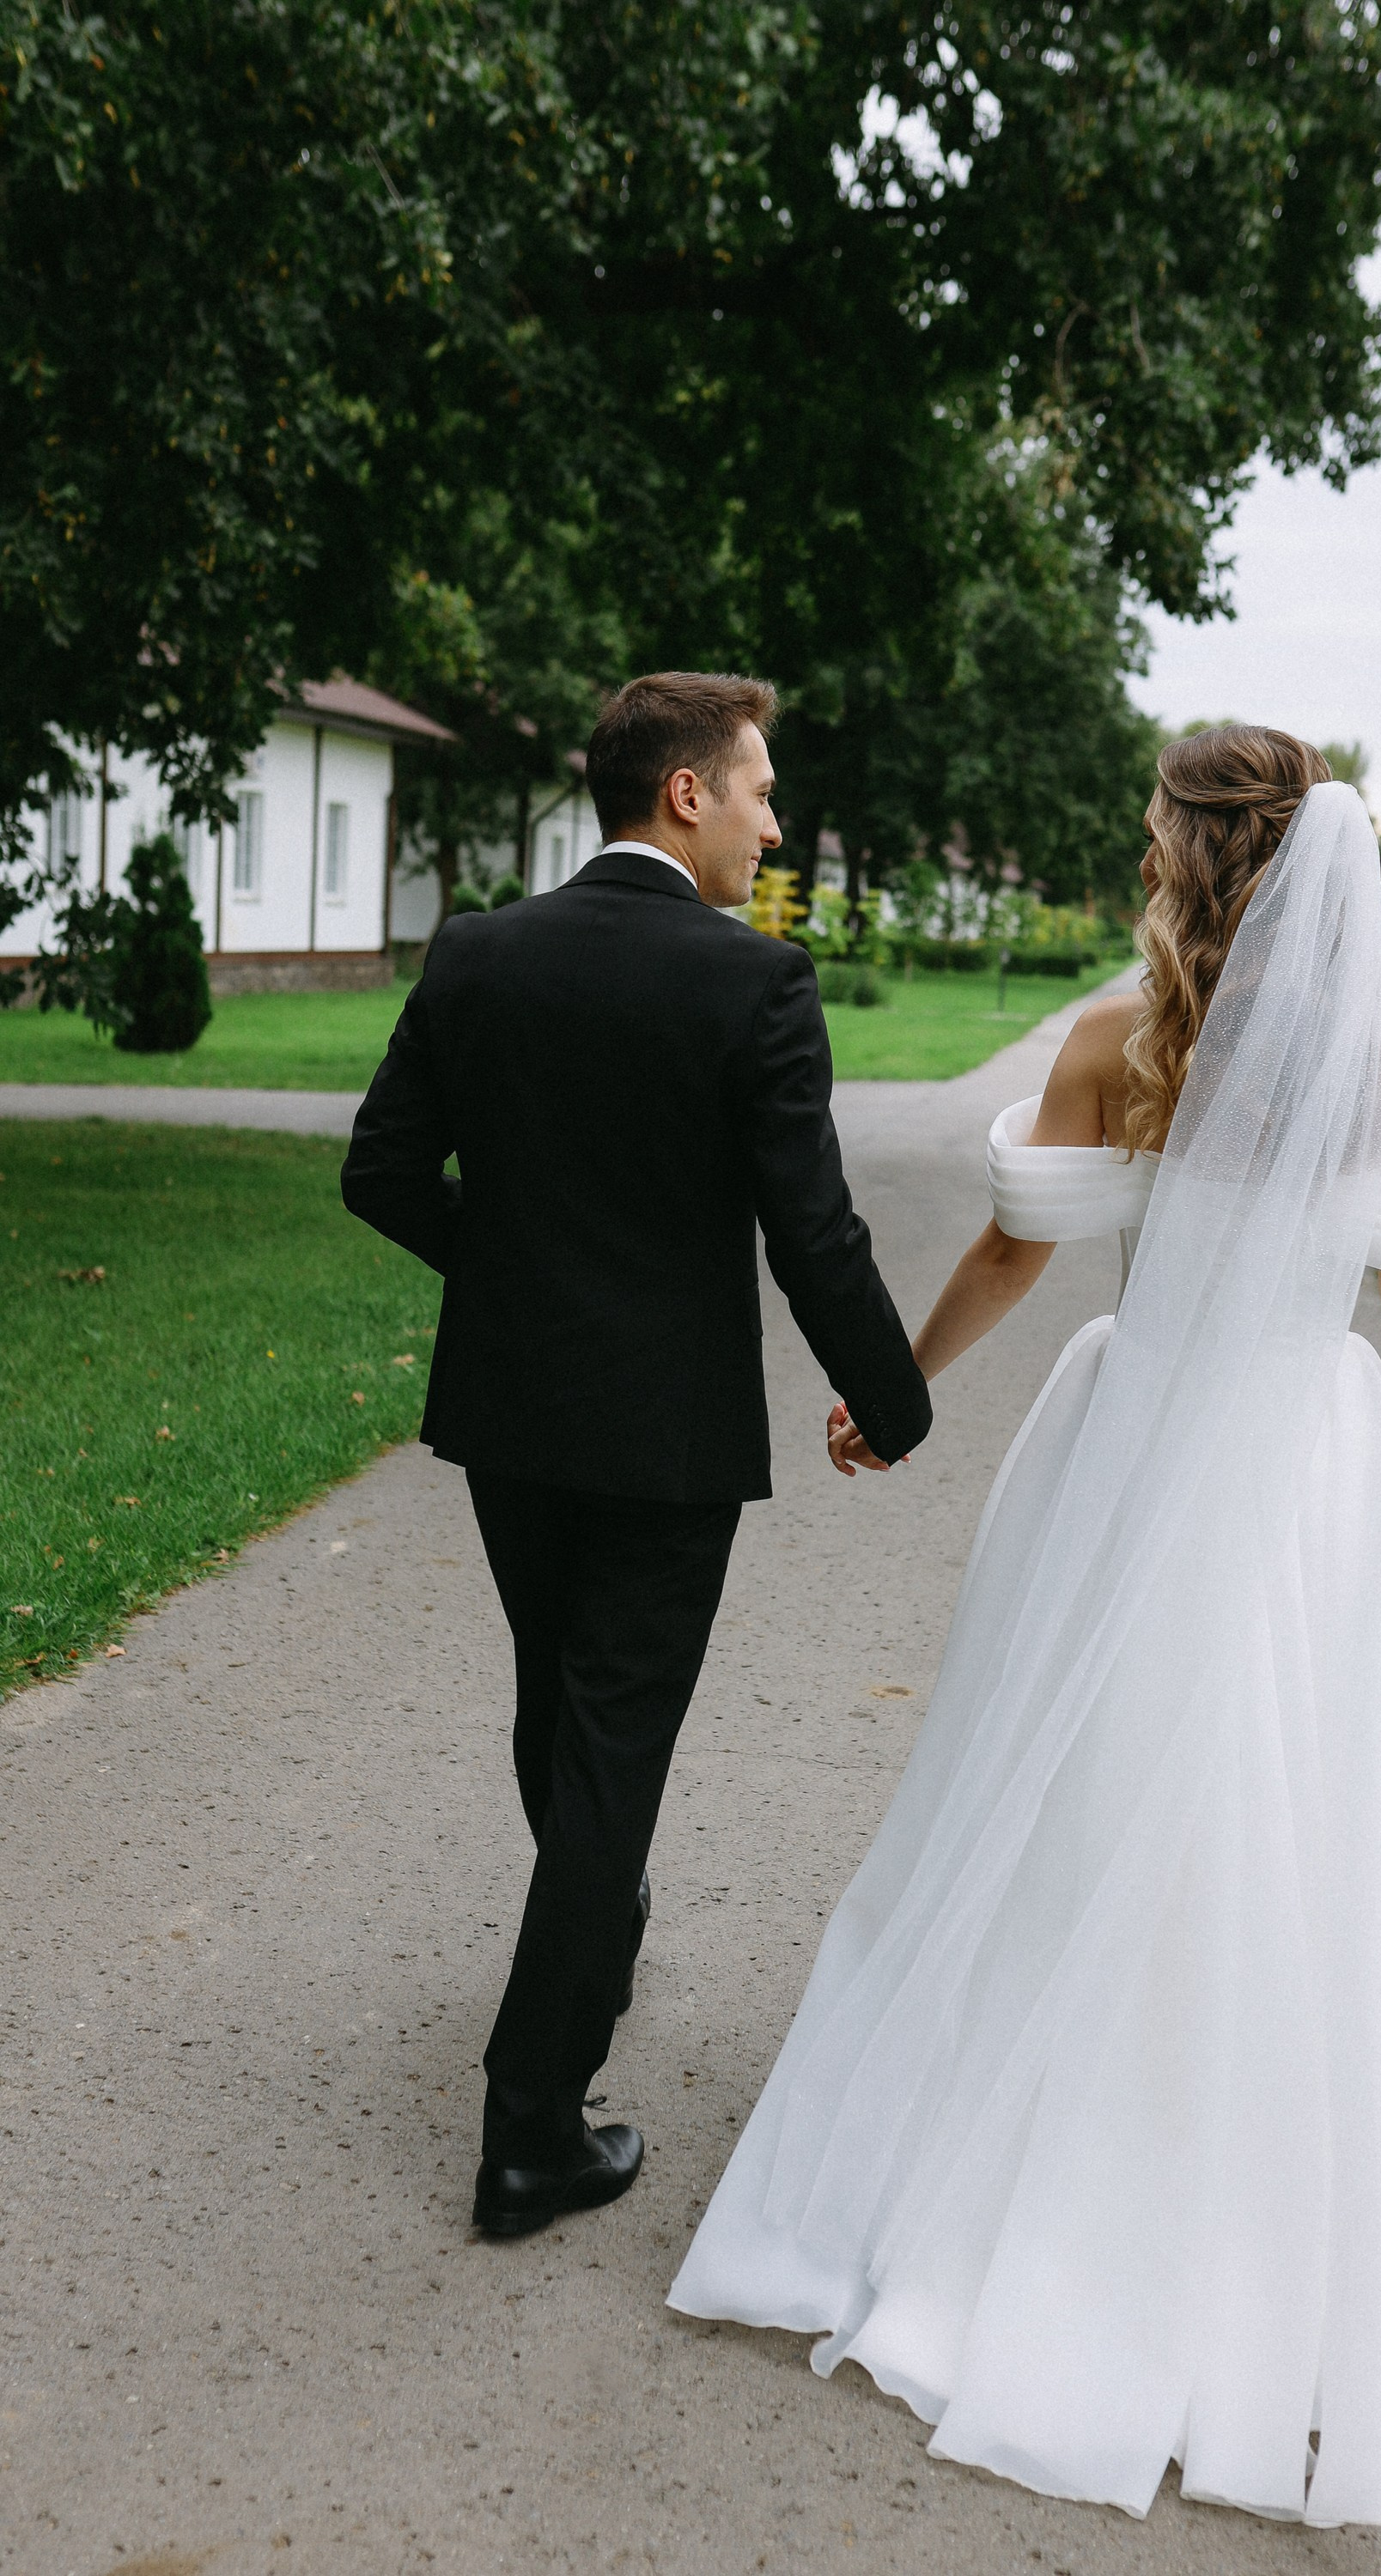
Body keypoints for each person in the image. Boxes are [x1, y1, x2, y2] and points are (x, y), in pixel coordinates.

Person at [669, 726, 1381, 2531]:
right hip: (1310, 1457)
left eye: (1148, 829)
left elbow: (1023, 1250)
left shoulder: (1121, 1034)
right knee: (1331, 1811)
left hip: (1137, 1437)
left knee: (1080, 1786)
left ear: (1191, 854)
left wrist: (896, 1392)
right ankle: (1275, 2170)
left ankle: (1086, 2144)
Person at [341, 671, 932, 2240]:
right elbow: (814, 1228)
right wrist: (897, 1394)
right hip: (665, 1440)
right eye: (758, 791)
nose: (773, 821)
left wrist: (513, 1279)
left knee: (558, 1694)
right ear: (686, 796)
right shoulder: (753, 985)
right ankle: (530, 2130)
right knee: (612, 1746)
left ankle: (588, 1938)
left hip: (513, 1420)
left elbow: (384, 1170)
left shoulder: (480, 954)